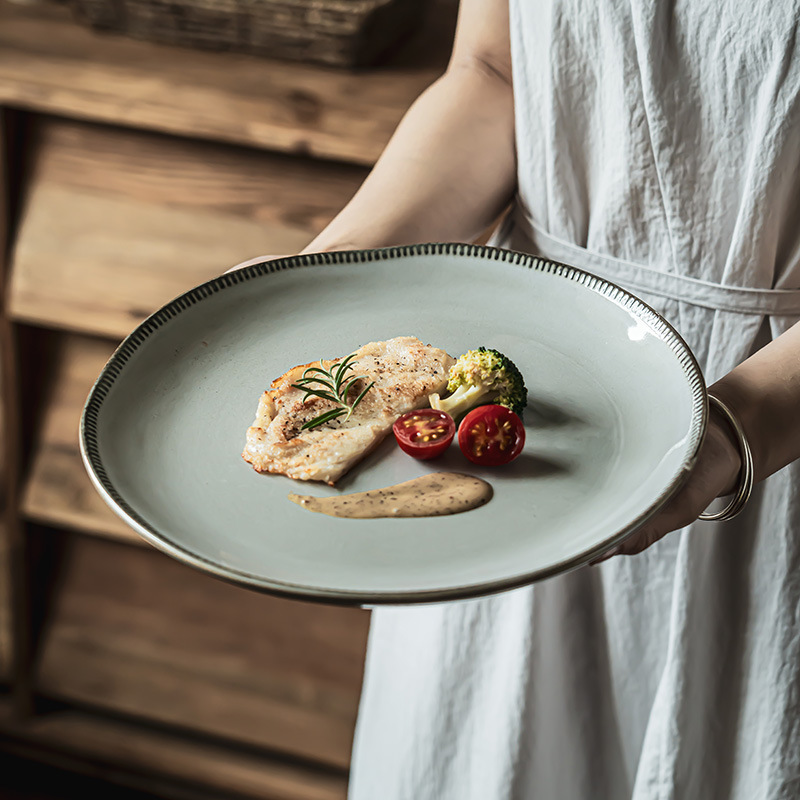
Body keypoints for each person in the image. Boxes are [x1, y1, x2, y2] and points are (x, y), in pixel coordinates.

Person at [236, 0, 800, 796]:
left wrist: (738, 427)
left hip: (780, 422)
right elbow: (494, 74)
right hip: (521, 442)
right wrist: (324, 278)